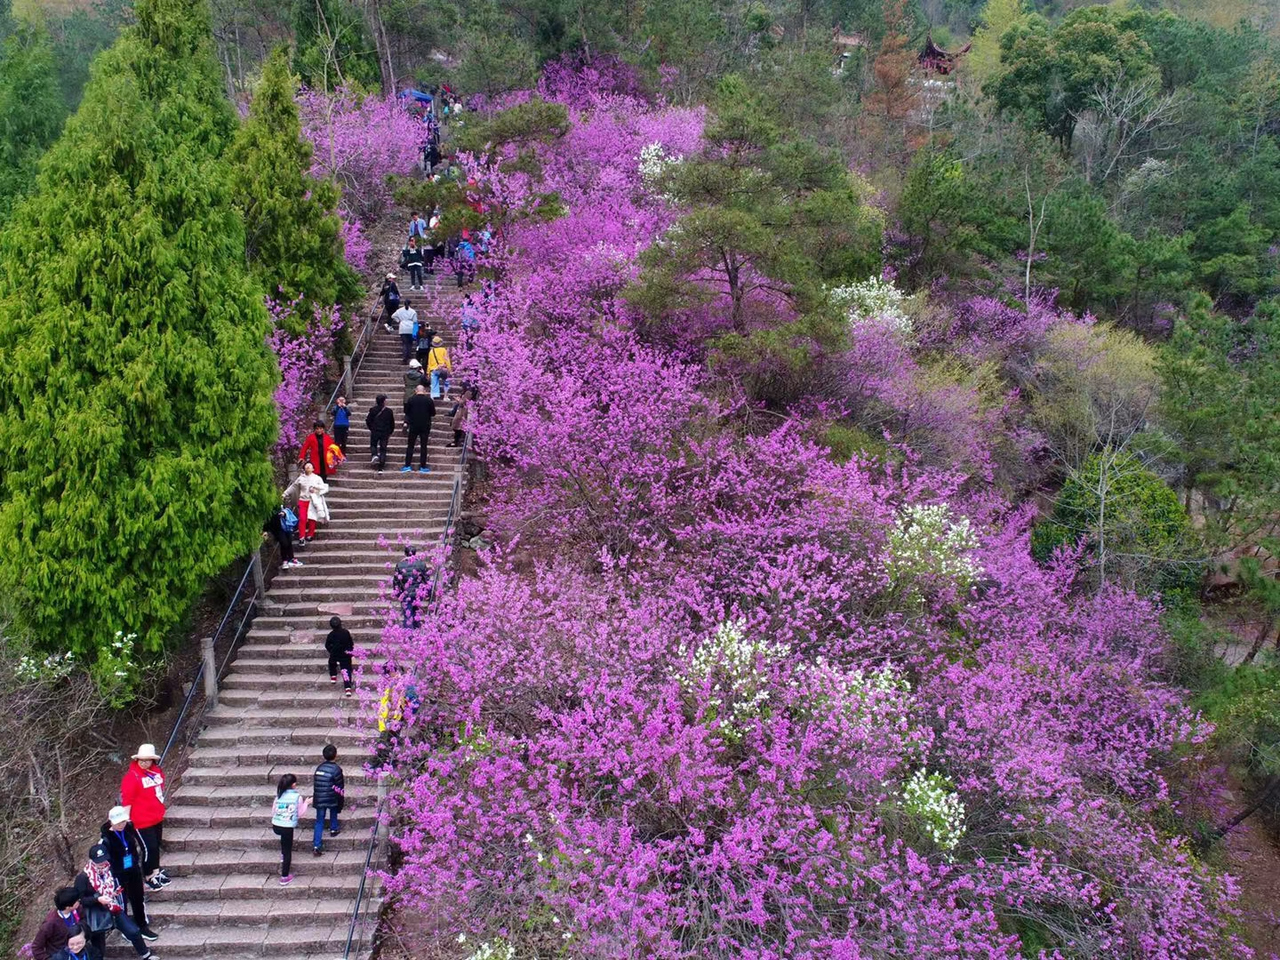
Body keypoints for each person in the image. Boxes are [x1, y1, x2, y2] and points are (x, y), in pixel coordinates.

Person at [75, 843, 154, 960]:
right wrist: (97, 899)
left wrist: (114, 892)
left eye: (104, 860)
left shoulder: (109, 869)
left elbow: (114, 883)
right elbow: (80, 900)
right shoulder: (83, 877)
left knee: (133, 931)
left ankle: (146, 954)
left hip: (113, 907)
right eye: (99, 861)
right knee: (98, 945)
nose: (102, 863)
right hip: (97, 912)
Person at [100, 806, 156, 941]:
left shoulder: (129, 829)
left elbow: (134, 848)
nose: (121, 825)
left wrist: (136, 864)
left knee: (138, 898)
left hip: (133, 870)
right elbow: (106, 861)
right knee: (122, 902)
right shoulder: (106, 839)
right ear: (111, 822)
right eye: (118, 823)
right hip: (118, 874)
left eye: (123, 821)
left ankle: (142, 925)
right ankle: (126, 929)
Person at [119, 744, 169, 893]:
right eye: (142, 760)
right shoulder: (132, 777)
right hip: (140, 820)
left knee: (156, 845)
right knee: (148, 848)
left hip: (156, 816)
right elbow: (127, 800)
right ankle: (148, 875)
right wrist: (126, 820)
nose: (144, 763)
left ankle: (156, 871)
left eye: (147, 760)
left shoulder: (156, 772)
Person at [271, 774, 308, 885]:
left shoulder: (279, 796)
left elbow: (273, 811)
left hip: (276, 825)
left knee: (284, 840)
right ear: (293, 785)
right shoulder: (297, 797)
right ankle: (284, 876)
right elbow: (300, 813)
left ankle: (282, 855)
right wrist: (306, 803)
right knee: (288, 850)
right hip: (287, 826)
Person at [311, 745, 346, 857]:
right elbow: (340, 787)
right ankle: (333, 828)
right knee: (333, 810)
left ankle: (316, 845)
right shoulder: (336, 769)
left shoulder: (319, 768)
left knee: (319, 821)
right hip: (332, 796)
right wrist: (341, 799)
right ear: (336, 755)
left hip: (319, 797)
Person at [31, 888, 82, 960]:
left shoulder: (77, 910)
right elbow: (36, 947)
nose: (79, 901)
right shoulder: (50, 923)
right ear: (68, 907)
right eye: (77, 900)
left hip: (78, 951)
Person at [393, 546, 430, 628]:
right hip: (418, 594)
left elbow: (396, 581)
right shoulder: (421, 564)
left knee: (408, 616)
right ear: (415, 553)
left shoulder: (400, 565)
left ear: (405, 554)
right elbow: (427, 580)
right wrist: (428, 593)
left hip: (405, 594)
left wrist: (398, 594)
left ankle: (409, 634)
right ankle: (416, 631)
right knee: (416, 613)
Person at [402, 385, 435, 474]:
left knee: (410, 445)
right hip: (425, 425)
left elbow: (406, 412)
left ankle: (407, 465)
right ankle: (423, 466)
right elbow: (433, 413)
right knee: (423, 446)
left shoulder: (411, 399)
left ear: (416, 391)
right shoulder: (429, 400)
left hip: (413, 425)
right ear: (424, 391)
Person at [296, 462, 330, 544]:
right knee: (302, 518)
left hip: (313, 500)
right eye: (306, 465)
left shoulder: (317, 478)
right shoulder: (300, 478)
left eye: (310, 466)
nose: (308, 466)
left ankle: (310, 534)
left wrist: (316, 490)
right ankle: (301, 537)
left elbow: (324, 488)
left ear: (313, 469)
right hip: (303, 500)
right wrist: (286, 494)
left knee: (312, 518)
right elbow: (294, 487)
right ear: (304, 468)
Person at [263, 503, 300, 568]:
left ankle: (291, 558)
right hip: (277, 528)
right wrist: (265, 530)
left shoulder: (281, 503)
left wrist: (284, 513)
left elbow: (286, 509)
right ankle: (285, 560)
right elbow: (269, 518)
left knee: (289, 542)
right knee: (284, 543)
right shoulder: (270, 507)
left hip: (286, 525)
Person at [325, 616, 354, 696]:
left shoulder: (331, 635)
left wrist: (331, 651)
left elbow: (327, 645)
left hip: (335, 654)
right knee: (346, 670)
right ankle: (347, 688)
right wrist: (350, 651)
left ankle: (333, 675)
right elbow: (351, 643)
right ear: (341, 623)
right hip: (345, 655)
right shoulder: (346, 632)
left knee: (331, 663)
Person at [365, 395, 395, 471]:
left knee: (373, 444)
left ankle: (374, 455)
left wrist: (371, 428)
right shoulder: (389, 411)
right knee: (383, 448)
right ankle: (381, 466)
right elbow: (392, 423)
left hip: (375, 431)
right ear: (384, 401)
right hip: (385, 432)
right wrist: (390, 432)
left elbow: (368, 420)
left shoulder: (372, 410)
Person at [393, 298, 419, 365]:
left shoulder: (399, 310)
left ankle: (405, 357)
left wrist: (398, 320)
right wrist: (415, 331)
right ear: (410, 304)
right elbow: (415, 321)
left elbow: (393, 316)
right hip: (410, 328)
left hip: (402, 328)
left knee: (405, 343)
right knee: (410, 343)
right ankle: (409, 355)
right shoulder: (413, 311)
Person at [425, 335, 451, 400]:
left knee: (434, 383)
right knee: (446, 382)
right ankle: (445, 396)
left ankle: (434, 396)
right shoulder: (443, 350)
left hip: (434, 369)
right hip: (443, 369)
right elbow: (447, 360)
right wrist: (449, 369)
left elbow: (429, 363)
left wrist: (428, 372)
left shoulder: (431, 351)